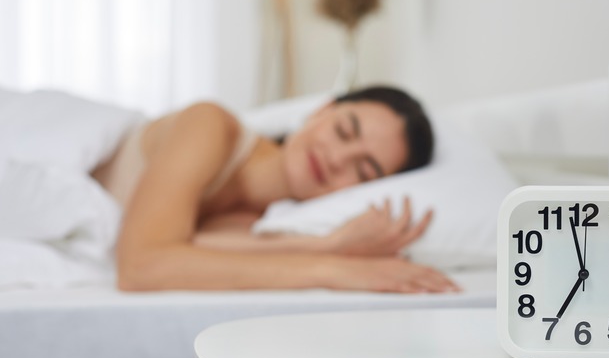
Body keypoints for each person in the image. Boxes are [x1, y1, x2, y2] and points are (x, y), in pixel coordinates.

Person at [91, 86, 460, 293]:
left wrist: (328, 244)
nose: (336, 159)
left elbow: (190, 251)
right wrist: (332, 268)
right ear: (321, 110)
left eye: (363, 170)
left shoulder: (263, 221)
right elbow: (142, 266)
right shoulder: (210, 125)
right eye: (344, 131)